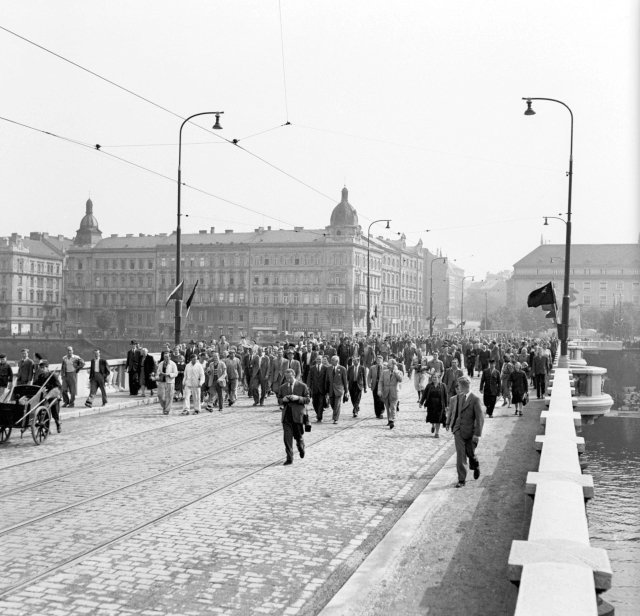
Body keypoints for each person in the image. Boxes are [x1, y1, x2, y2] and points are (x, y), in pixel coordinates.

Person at [446, 376, 484, 488]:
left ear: (464, 386)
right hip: (458, 431)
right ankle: (461, 480)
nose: (458, 388)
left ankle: (475, 464)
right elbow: (455, 413)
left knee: (470, 454)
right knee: (460, 456)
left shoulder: (475, 399)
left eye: (459, 386)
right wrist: (453, 427)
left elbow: (480, 418)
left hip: (471, 432)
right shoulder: (459, 398)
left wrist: (477, 434)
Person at [278, 368, 310, 465]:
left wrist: (298, 398)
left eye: (290, 377)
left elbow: (308, 399)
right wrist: (283, 399)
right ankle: (289, 458)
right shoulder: (282, 387)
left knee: (298, 436)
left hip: (297, 416)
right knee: (287, 438)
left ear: (294, 375)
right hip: (286, 416)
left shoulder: (302, 386)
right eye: (286, 377)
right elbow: (279, 399)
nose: (288, 379)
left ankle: (301, 447)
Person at [33, 359, 62, 433]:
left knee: (55, 412)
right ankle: (46, 427)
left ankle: (58, 424)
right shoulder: (40, 376)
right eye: (41, 368)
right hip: (44, 397)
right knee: (44, 412)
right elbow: (36, 385)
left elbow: (58, 387)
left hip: (53, 396)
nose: (42, 369)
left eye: (43, 368)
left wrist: (50, 395)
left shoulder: (52, 375)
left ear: (47, 367)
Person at [420, 373, 448, 438]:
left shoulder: (443, 386)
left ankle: (437, 433)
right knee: (432, 418)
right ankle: (433, 426)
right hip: (431, 404)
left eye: (435, 377)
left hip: (440, 405)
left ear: (439, 378)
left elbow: (446, 396)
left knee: (438, 419)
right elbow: (424, 395)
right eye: (433, 377)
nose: (434, 379)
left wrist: (446, 406)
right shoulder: (429, 386)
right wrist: (421, 402)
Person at [380, 358, 403, 430]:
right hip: (386, 392)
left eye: (390, 364)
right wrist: (380, 390)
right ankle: (389, 420)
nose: (388, 366)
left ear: (394, 365)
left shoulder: (399, 372)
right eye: (388, 364)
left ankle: (392, 420)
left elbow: (400, 379)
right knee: (387, 407)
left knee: (393, 407)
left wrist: (395, 372)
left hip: (394, 392)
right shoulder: (384, 372)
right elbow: (380, 382)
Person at [325, 355, 348, 424]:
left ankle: (335, 418)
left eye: (332, 360)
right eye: (331, 360)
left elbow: (345, 381)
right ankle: (336, 413)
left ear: (337, 361)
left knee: (337, 404)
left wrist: (346, 391)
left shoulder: (342, 369)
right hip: (331, 390)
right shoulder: (328, 369)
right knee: (332, 403)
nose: (331, 361)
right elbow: (327, 380)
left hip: (339, 390)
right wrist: (326, 391)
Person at [308, 355, 326, 422]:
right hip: (314, 388)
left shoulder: (325, 368)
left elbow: (326, 379)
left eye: (320, 359)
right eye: (318, 359)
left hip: (322, 389)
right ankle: (318, 413)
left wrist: (326, 388)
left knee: (321, 403)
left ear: (322, 360)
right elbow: (309, 378)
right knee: (314, 403)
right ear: (316, 360)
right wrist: (308, 386)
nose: (319, 361)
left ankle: (319, 416)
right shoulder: (312, 368)